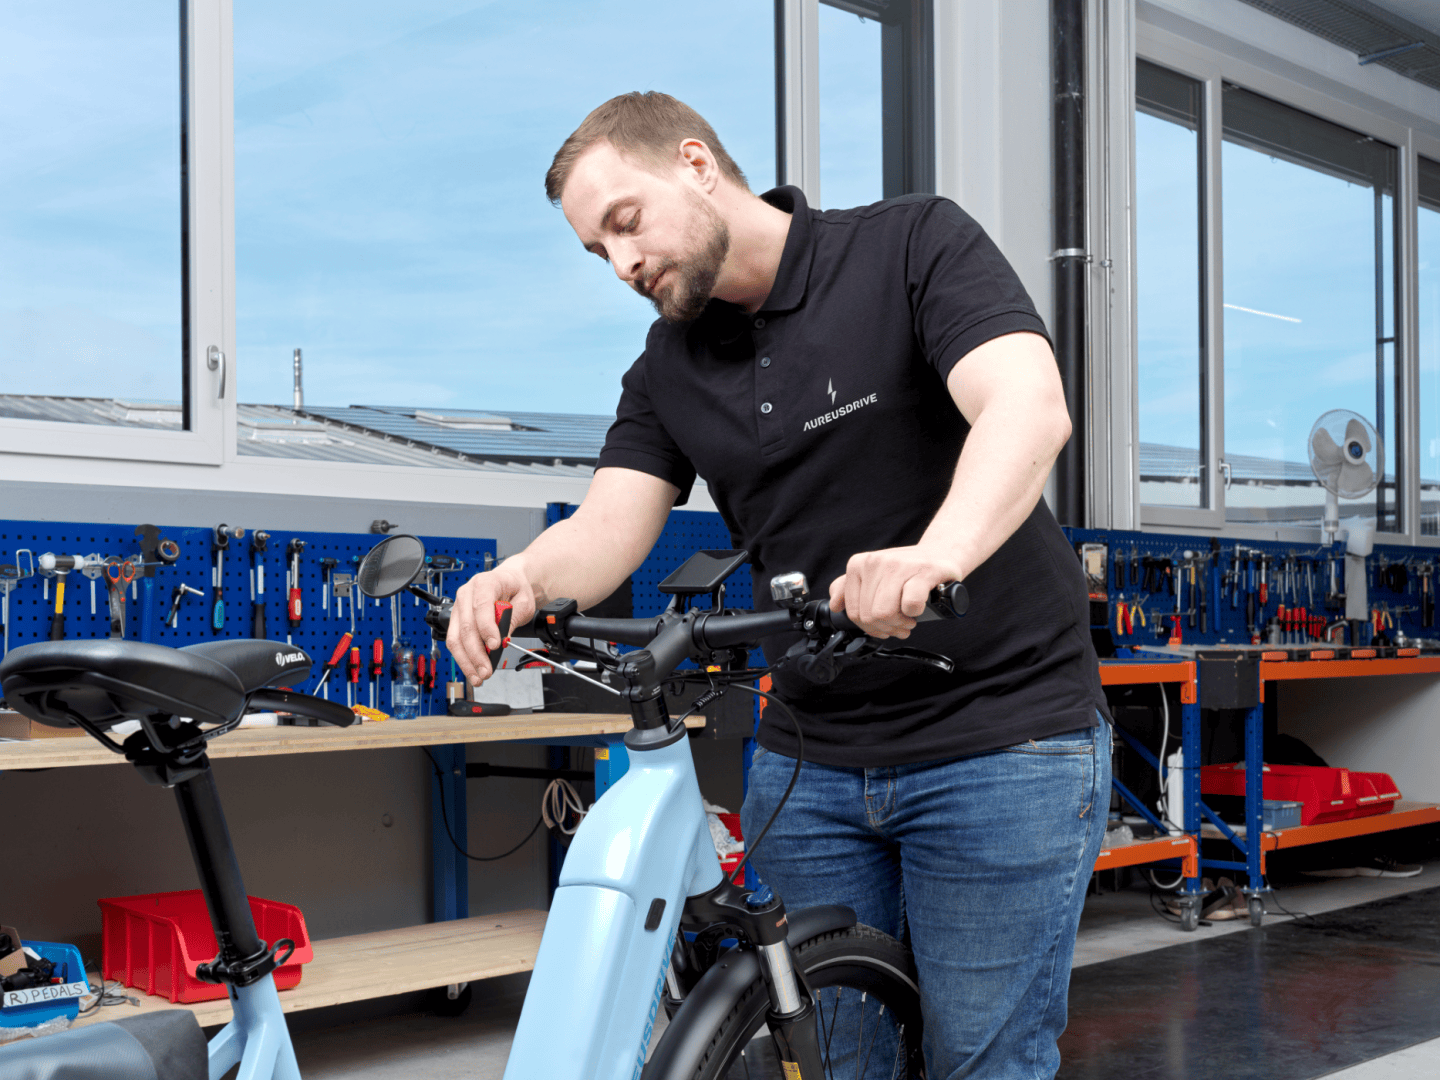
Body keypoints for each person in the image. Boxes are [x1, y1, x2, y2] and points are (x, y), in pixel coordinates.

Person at [447, 91, 1111, 1079]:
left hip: (1000, 740)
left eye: (626, 222)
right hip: (814, 760)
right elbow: (608, 527)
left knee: (982, 1062)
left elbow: (1026, 404)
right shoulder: (668, 366)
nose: (622, 264)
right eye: (598, 252)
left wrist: (936, 555)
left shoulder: (909, 246)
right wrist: (520, 577)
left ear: (696, 163)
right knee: (832, 1062)